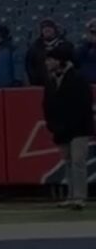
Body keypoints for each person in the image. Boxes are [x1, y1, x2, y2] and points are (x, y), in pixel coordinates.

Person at [42, 44, 92, 210]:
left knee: (78, 162)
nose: (47, 63)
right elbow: (47, 104)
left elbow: (83, 105)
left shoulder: (77, 78)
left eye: (50, 60)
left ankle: (79, 197)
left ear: (60, 60)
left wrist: (70, 125)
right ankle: (71, 196)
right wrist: (52, 124)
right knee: (68, 163)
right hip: (60, 129)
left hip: (78, 128)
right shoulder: (51, 79)